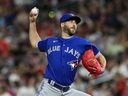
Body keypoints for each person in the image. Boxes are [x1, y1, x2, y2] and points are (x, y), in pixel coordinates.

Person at [29, 7, 106, 96]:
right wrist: (32, 22)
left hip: (67, 91)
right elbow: (35, 43)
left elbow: (100, 57)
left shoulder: (82, 43)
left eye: (75, 22)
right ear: (62, 24)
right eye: (71, 21)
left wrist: (102, 69)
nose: (74, 24)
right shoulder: (50, 42)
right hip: (49, 89)